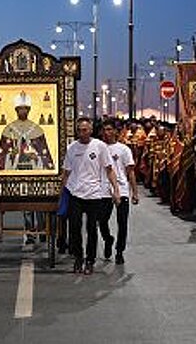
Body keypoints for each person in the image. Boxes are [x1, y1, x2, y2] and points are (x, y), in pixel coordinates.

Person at [61, 117, 120, 275]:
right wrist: (62, 195)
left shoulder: (99, 146)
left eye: (85, 130)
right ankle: (78, 258)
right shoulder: (72, 148)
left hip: (94, 194)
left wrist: (116, 190)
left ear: (91, 130)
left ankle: (90, 260)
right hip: (75, 193)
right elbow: (66, 172)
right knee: (74, 228)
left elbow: (109, 169)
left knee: (92, 229)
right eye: (79, 130)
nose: (82, 133)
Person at [99, 119, 139, 265]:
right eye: (104, 130)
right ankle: (108, 239)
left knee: (122, 222)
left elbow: (130, 172)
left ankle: (119, 251)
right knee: (102, 220)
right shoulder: (99, 148)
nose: (106, 132)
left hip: (121, 189)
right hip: (103, 189)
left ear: (116, 131)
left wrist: (134, 192)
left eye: (109, 129)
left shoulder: (124, 149)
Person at [0, 91, 54, 171]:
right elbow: (1, 156)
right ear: (16, 110)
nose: (23, 111)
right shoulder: (8, 129)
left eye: (25, 108)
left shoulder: (37, 129)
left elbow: (45, 156)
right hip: (13, 170)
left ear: (29, 110)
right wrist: (11, 155)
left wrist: (36, 157)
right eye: (20, 109)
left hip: (33, 170)